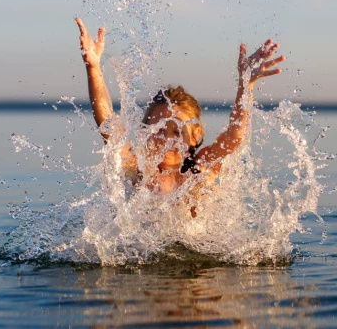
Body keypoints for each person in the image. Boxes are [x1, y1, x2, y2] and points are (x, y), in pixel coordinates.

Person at [75, 17, 285, 215]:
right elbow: (109, 127)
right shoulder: (136, 170)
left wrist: (245, 84)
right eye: (158, 130)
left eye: (177, 131)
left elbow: (234, 137)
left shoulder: (200, 167)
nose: (166, 138)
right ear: (144, 132)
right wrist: (93, 67)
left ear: (194, 136)